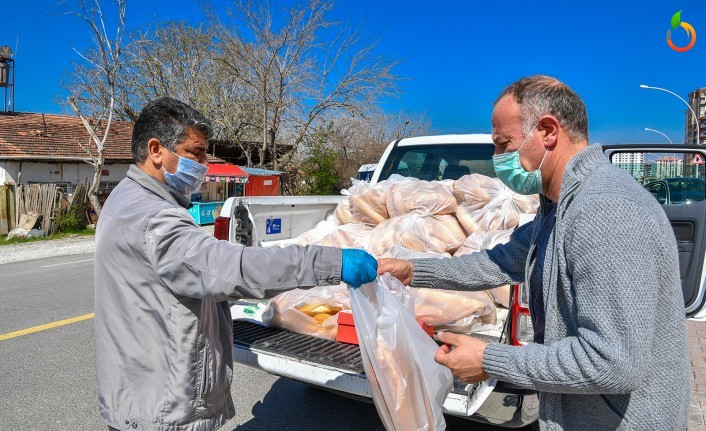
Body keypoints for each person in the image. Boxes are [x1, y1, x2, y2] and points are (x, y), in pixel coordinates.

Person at [377, 75, 689, 429]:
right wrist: (412, 270)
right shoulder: (557, 209)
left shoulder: (605, 211)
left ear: (547, 131)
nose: (496, 158)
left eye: (503, 143)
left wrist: (490, 360)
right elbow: (495, 262)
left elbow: (612, 361)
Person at [94, 97, 378, 431]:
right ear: (156, 150)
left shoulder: (125, 196)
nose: (204, 165)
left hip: (139, 390)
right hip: (162, 409)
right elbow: (232, 269)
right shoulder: (155, 219)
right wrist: (329, 262)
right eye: (195, 153)